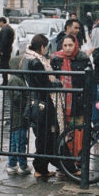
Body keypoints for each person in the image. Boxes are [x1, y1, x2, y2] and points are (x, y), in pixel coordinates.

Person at [23, 33, 59, 178]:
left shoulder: (27, 58)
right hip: (42, 103)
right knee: (44, 136)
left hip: (34, 102)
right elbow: (44, 83)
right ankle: (40, 169)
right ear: (42, 47)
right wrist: (57, 83)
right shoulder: (37, 62)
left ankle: (41, 168)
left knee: (42, 136)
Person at [50, 34, 91, 162]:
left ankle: (77, 160)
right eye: (65, 45)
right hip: (61, 103)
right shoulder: (56, 59)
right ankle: (65, 163)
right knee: (63, 132)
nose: (68, 48)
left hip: (78, 102)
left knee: (78, 133)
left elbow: (89, 82)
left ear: (76, 45)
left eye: (70, 45)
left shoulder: (83, 59)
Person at [5, 51, 31, 175]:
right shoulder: (15, 80)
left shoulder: (18, 78)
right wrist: (27, 100)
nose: (23, 65)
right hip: (18, 115)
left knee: (17, 140)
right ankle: (22, 165)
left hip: (19, 115)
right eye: (21, 63)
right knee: (19, 141)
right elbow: (17, 98)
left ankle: (13, 164)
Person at [0, 16, 15, 81]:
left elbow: (4, 41)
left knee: (4, 66)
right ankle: (6, 80)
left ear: (2, 22)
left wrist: (1, 50)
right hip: (8, 50)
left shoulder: (5, 29)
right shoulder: (9, 28)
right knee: (6, 65)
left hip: (4, 51)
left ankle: (5, 81)